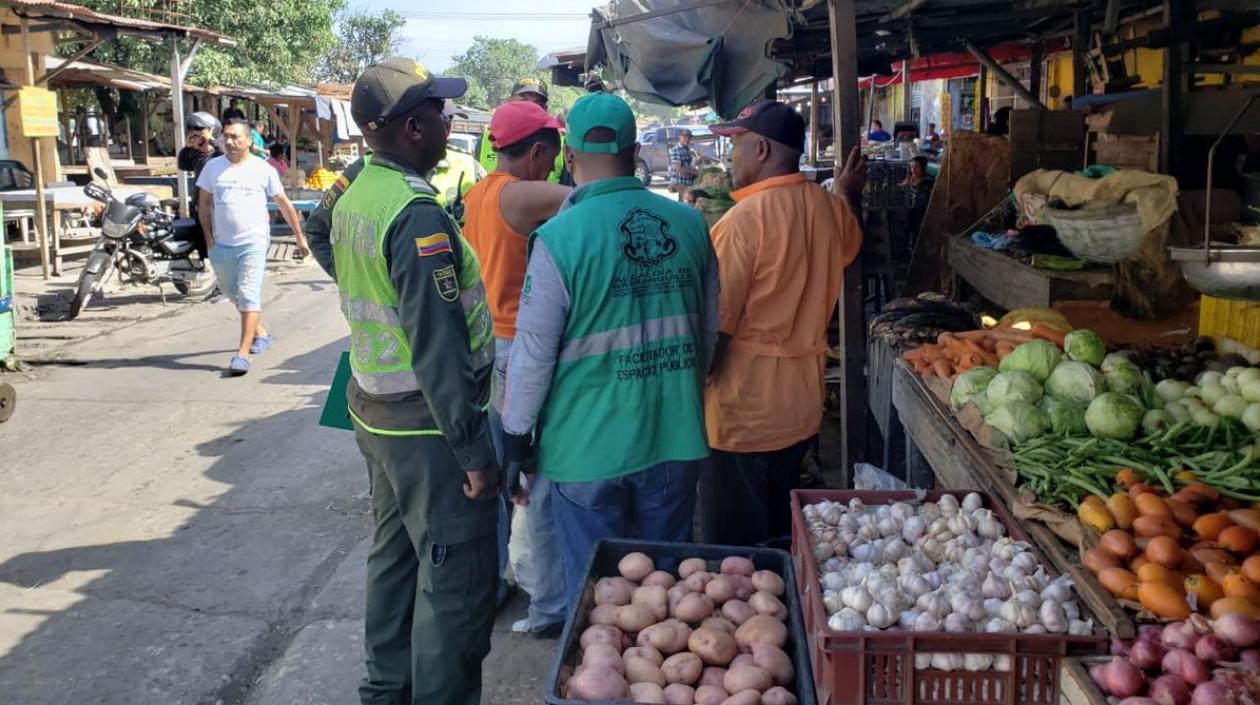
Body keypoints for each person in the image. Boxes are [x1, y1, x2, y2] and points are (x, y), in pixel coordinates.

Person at [500, 93, 718, 610]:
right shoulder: (690, 226)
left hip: (585, 451)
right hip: (675, 439)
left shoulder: (558, 238)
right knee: (669, 598)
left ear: (569, 158)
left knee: (600, 605)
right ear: (635, 150)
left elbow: (532, 355)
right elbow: (707, 336)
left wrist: (515, 440)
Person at [332, 58, 500, 705]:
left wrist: (363, 283)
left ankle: (385, 690)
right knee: (454, 584)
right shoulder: (414, 214)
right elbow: (439, 348)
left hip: (374, 410)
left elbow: (324, 234)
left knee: (396, 556)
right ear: (410, 128)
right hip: (428, 425)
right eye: (439, 112)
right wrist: (475, 452)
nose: (449, 121)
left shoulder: (358, 192)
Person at [698, 100, 865, 547]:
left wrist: (689, 392)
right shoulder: (827, 209)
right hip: (800, 407)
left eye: (735, 144)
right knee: (781, 533)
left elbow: (716, 329)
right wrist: (846, 190)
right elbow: (849, 241)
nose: (729, 156)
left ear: (761, 150)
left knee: (735, 555)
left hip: (742, 414)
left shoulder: (741, 223)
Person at [462, 99, 570, 638]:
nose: (553, 168)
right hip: (516, 351)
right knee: (538, 478)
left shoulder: (477, 193)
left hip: (486, 349)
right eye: (550, 156)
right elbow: (595, 196)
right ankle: (551, 603)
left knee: (505, 481)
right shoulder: (521, 194)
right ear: (533, 152)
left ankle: (494, 586)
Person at [197, 118, 309, 375]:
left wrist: (300, 238)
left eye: (236, 137)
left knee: (248, 294)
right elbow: (203, 204)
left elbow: (283, 203)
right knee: (232, 292)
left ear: (249, 141)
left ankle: (243, 354)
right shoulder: (213, 168)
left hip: (254, 242)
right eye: (226, 136)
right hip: (221, 245)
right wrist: (208, 237)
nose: (229, 141)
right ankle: (262, 334)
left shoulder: (263, 169)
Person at [478, 77, 565, 183]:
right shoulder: (484, 140)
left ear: (545, 109)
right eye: (524, 100)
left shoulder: (558, 140)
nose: (530, 106)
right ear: (509, 102)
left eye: (538, 103)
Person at [177, 111, 224, 259]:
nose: (195, 134)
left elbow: (226, 154)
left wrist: (211, 141)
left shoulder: (219, 154)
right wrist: (189, 146)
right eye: (192, 131)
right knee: (203, 244)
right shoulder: (195, 153)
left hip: (217, 206)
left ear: (210, 130)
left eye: (199, 131)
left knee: (218, 243)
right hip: (199, 204)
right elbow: (183, 165)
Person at [431, 102, 486, 225]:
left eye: (450, 120)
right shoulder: (385, 171)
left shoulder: (470, 166)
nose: (448, 127)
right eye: (441, 120)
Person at [669, 129, 699, 198]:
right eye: (685, 137)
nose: (687, 139)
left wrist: (696, 161)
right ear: (679, 137)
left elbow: (690, 166)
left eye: (689, 137)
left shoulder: (689, 149)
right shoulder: (676, 150)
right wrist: (696, 173)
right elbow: (680, 170)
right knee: (691, 198)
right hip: (679, 182)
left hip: (688, 182)